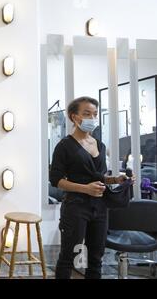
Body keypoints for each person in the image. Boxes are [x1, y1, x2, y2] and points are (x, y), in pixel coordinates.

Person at [50, 96, 135, 279]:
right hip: (75, 207)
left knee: (96, 258)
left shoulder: (99, 145)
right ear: (74, 117)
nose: (92, 118)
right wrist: (85, 189)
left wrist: (116, 180)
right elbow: (56, 180)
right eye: (87, 114)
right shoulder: (64, 146)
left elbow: (100, 177)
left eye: (95, 114)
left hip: (100, 208)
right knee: (68, 257)